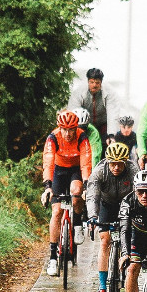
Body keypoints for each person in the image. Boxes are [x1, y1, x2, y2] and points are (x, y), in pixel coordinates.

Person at [86, 142, 139, 292]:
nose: (116, 167)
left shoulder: (133, 170)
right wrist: (92, 216)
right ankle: (102, 287)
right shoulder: (99, 172)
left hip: (126, 205)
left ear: (126, 163)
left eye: (119, 164)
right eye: (113, 164)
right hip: (106, 205)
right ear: (107, 162)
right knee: (105, 241)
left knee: (129, 237)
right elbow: (93, 196)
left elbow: (140, 193)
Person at [41, 110, 92, 276]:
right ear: (59, 127)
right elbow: (48, 162)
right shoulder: (53, 138)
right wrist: (47, 186)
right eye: (64, 129)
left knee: (76, 192)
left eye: (71, 130)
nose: (68, 133)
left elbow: (85, 163)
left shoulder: (82, 137)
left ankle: (77, 224)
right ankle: (53, 258)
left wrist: (86, 185)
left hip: (76, 170)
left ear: (76, 128)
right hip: (58, 171)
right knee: (56, 212)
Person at [68, 68, 121, 143]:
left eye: (97, 83)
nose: (94, 85)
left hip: (103, 124)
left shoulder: (110, 92)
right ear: (88, 81)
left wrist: (111, 135)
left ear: (101, 83)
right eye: (91, 82)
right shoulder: (79, 92)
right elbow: (73, 111)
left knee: (106, 144)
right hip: (85, 124)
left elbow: (112, 114)